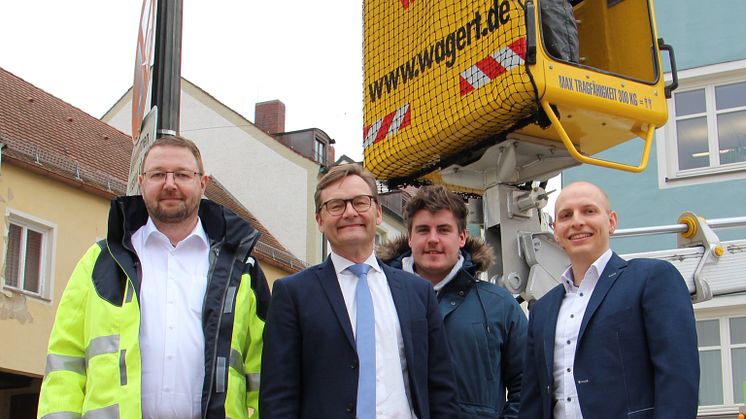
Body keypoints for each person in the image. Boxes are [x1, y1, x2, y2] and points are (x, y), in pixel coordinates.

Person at [37, 136, 270, 419]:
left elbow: (266, 373)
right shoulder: (101, 261)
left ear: (202, 183)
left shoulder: (242, 269)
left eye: (182, 174)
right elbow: (65, 363)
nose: (170, 184)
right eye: (158, 174)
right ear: (141, 181)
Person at [260, 164, 459, 419]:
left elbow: (441, 390)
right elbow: (278, 397)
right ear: (320, 220)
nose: (350, 212)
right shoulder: (292, 294)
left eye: (360, 202)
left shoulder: (418, 292)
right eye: (336, 205)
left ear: (377, 212)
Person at [519, 181, 699, 419]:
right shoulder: (543, 310)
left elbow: (678, 378)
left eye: (589, 211)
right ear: (555, 230)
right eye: (565, 215)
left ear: (611, 222)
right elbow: (533, 400)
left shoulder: (651, 279)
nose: (576, 221)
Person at [378, 185, 527, 418]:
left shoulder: (500, 305)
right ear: (409, 238)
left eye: (444, 230)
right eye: (423, 230)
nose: (433, 239)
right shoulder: (379, 298)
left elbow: (527, 386)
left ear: (462, 237)